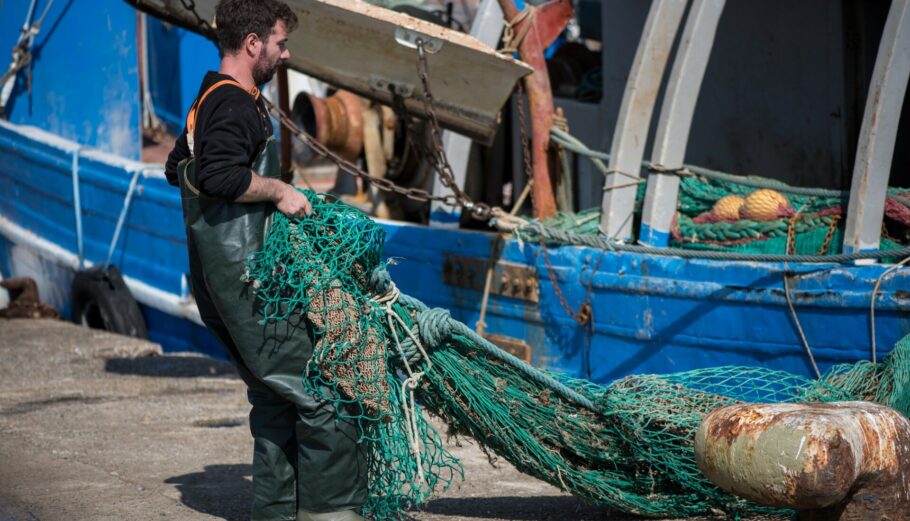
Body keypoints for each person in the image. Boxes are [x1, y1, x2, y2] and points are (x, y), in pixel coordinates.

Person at [165, 2, 368, 520]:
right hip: (249, 281)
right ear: (253, 43)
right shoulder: (233, 105)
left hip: (218, 282)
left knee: (275, 397)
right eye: (280, 42)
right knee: (325, 390)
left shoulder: (207, 99)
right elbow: (217, 178)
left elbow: (178, 169)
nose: (285, 52)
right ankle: (331, 515)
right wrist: (277, 189)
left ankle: (278, 513)